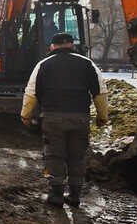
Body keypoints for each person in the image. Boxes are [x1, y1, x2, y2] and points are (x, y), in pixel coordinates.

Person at [20, 32, 108, 207]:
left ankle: (56, 195)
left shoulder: (43, 65)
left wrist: (26, 115)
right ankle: (75, 196)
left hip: (53, 118)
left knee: (55, 155)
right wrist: (102, 116)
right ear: (72, 45)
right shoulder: (87, 63)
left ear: (52, 47)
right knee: (77, 156)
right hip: (80, 118)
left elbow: (31, 93)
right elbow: (100, 92)